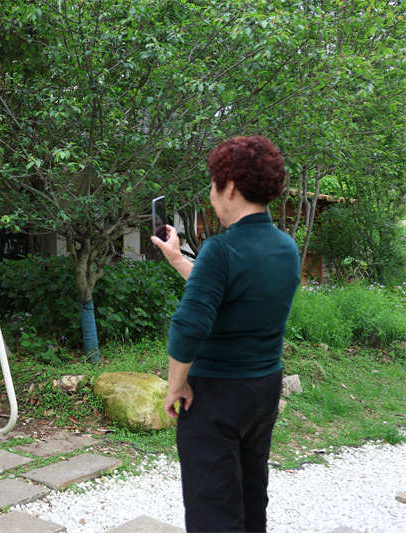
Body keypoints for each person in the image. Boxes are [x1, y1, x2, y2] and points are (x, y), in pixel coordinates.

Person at [152, 135, 300, 532]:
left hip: (216, 395)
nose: (211, 194)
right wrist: (176, 258)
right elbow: (223, 289)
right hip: (263, 389)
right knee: (252, 494)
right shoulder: (285, 248)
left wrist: (176, 385)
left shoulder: (221, 249)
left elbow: (188, 324)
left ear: (230, 186)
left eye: (213, 183)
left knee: (212, 508)